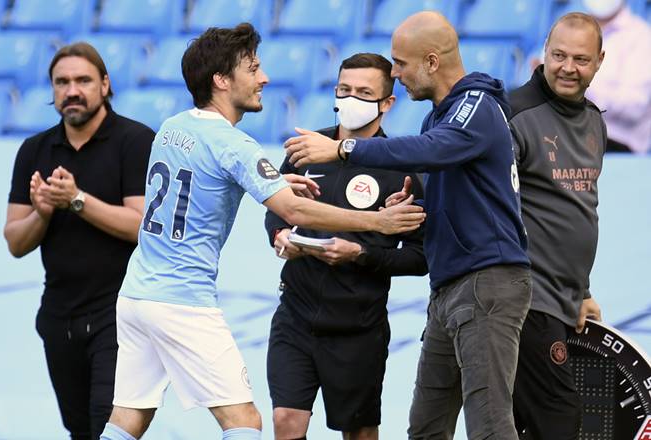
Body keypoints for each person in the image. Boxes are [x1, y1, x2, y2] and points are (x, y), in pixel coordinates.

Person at [99, 23, 425, 440]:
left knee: (128, 417)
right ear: (221, 80)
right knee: (246, 423)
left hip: (137, 295)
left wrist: (270, 184)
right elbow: (286, 208)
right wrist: (377, 222)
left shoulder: (171, 127)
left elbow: (206, 179)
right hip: (184, 302)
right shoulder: (236, 146)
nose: (264, 78)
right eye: (253, 68)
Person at [284, 11, 532, 440]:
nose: (394, 74)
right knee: (425, 429)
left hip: (487, 281)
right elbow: (458, 181)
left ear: (432, 62)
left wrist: (344, 149)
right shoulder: (441, 116)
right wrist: (417, 203)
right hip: (451, 285)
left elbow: (434, 150)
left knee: (489, 426)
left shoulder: (475, 107)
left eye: (400, 63)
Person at [264, 53, 428, 440]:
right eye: (344, 90)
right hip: (295, 315)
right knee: (286, 420)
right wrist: (278, 235)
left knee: (359, 432)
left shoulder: (401, 165)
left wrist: (361, 254)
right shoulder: (305, 149)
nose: (351, 99)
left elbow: (420, 257)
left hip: (357, 326)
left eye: (364, 92)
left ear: (387, 103)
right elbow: (278, 208)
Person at [3, 42, 154, 440]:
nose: (72, 90)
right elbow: (15, 242)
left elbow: (141, 227)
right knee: (80, 433)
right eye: (62, 82)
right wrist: (44, 210)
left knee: (110, 428)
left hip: (119, 314)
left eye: (83, 80)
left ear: (105, 85)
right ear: (52, 90)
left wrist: (76, 200)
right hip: (59, 316)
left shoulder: (135, 141)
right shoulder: (34, 150)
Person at [508, 12, 606, 439]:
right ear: (543, 54)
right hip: (527, 297)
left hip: (565, 301)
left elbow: (581, 209)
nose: (569, 67)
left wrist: (581, 292)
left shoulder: (595, 121)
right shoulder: (512, 114)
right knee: (558, 417)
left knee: (519, 423)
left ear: (600, 60)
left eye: (581, 59)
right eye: (559, 55)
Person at [582, 0, 651, 154]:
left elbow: (634, 106)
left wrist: (583, 87)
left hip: (617, 143)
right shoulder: (570, 30)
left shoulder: (642, 37)